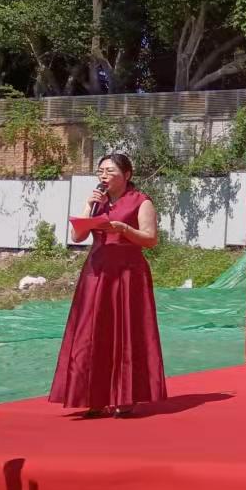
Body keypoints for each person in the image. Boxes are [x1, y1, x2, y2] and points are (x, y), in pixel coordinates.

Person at [50, 153, 166, 417]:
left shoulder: (141, 201)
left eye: (110, 171)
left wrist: (124, 229)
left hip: (128, 273)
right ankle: (94, 397)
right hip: (96, 273)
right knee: (92, 332)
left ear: (127, 175)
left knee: (126, 332)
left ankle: (126, 397)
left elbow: (150, 239)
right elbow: (77, 236)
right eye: (100, 171)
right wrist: (88, 207)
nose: (103, 176)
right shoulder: (96, 202)